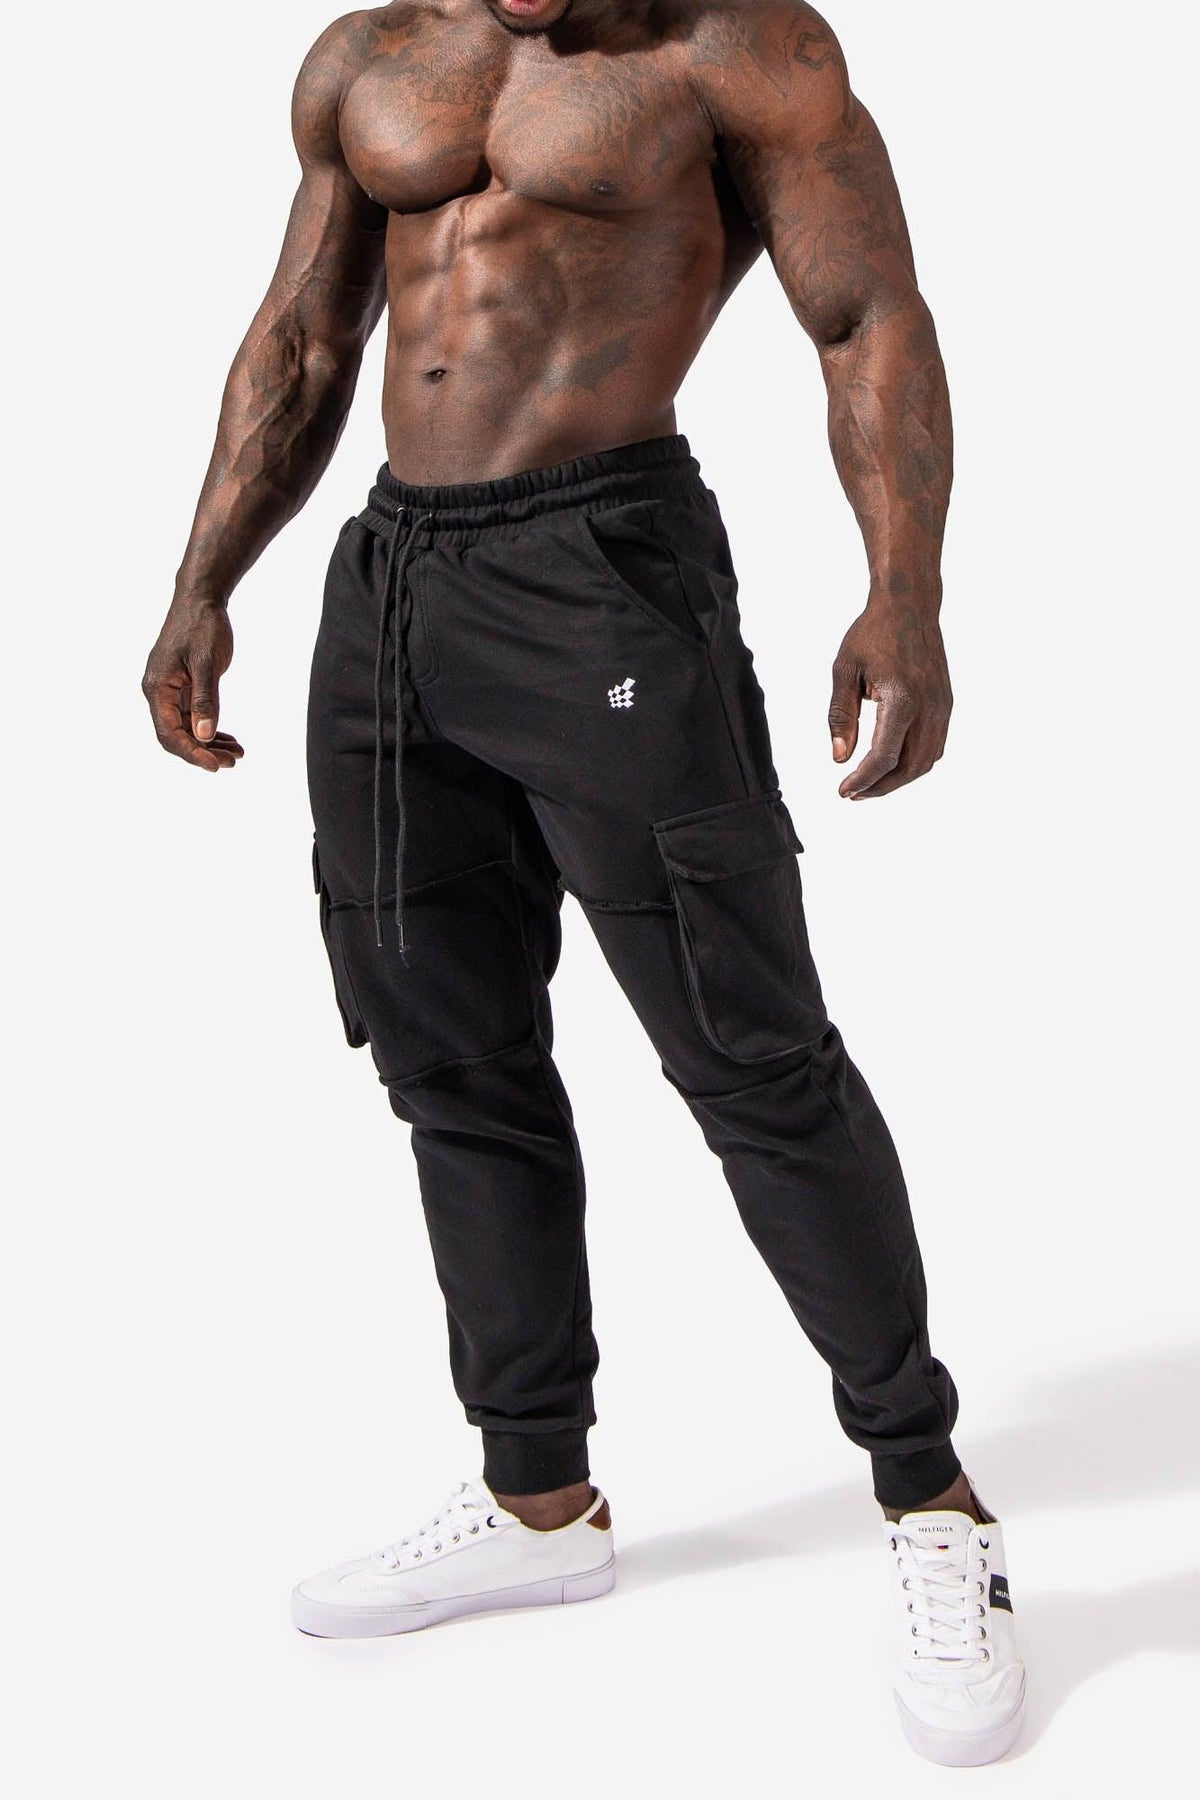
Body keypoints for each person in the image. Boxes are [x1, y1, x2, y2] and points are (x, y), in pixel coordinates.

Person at [143, 0, 1024, 1765]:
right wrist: (201, 578)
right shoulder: (368, 59)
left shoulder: (737, 53)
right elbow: (304, 338)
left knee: (752, 1057)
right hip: (392, 586)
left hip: (603, 570)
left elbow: (865, 314)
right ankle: (535, 1494)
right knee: (448, 1060)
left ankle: (934, 1501)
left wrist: (905, 591)